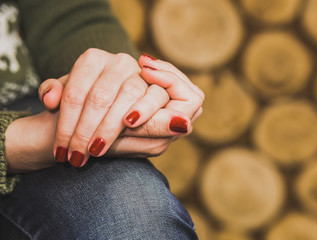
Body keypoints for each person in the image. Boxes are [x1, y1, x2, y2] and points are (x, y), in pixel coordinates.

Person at [0, 0, 203, 239]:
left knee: (136, 214)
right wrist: (18, 141)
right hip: (32, 126)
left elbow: (70, 16)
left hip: (30, 99)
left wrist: (116, 86)